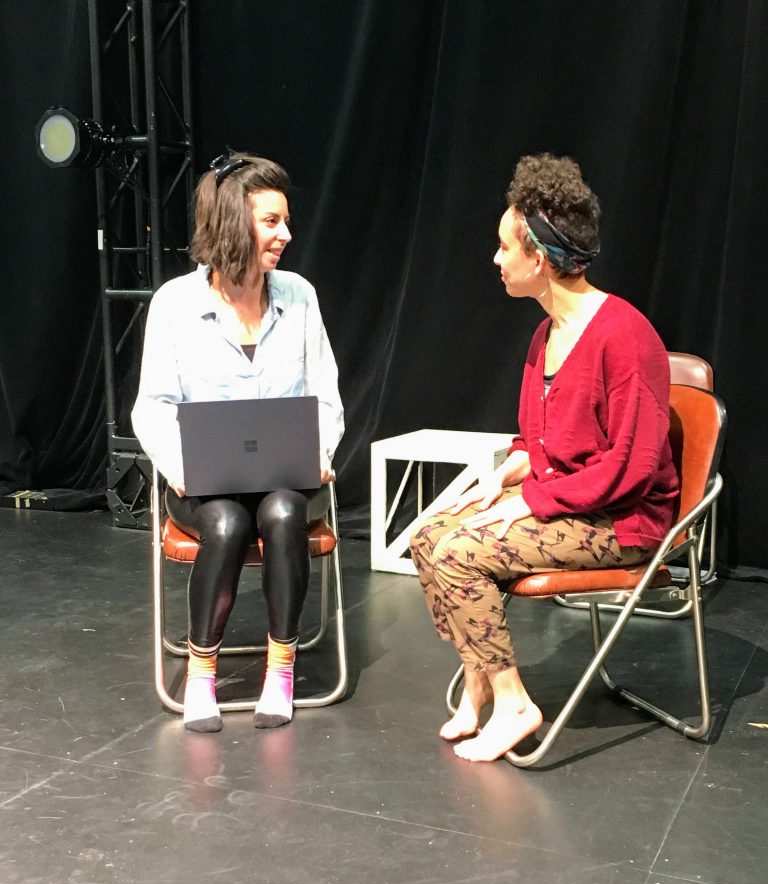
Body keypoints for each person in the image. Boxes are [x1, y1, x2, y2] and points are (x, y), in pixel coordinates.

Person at [410, 153, 679, 763]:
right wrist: (514, 468)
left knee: (459, 553)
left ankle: (513, 704)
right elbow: (542, 439)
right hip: (574, 499)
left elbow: (630, 470)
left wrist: (533, 500)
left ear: (538, 259)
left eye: (505, 247)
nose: (495, 259)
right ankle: (480, 676)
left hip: (623, 520)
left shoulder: (625, 337)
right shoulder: (545, 333)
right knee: (428, 536)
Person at [132, 152, 344, 733]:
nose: (286, 234)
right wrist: (180, 467)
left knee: (282, 513)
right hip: (204, 484)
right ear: (233, 222)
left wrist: (320, 453)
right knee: (226, 523)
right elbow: (152, 406)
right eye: (271, 221)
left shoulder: (299, 296)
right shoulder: (176, 303)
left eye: (285, 220)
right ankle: (202, 672)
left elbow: (326, 395)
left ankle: (281, 668)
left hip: (286, 479)